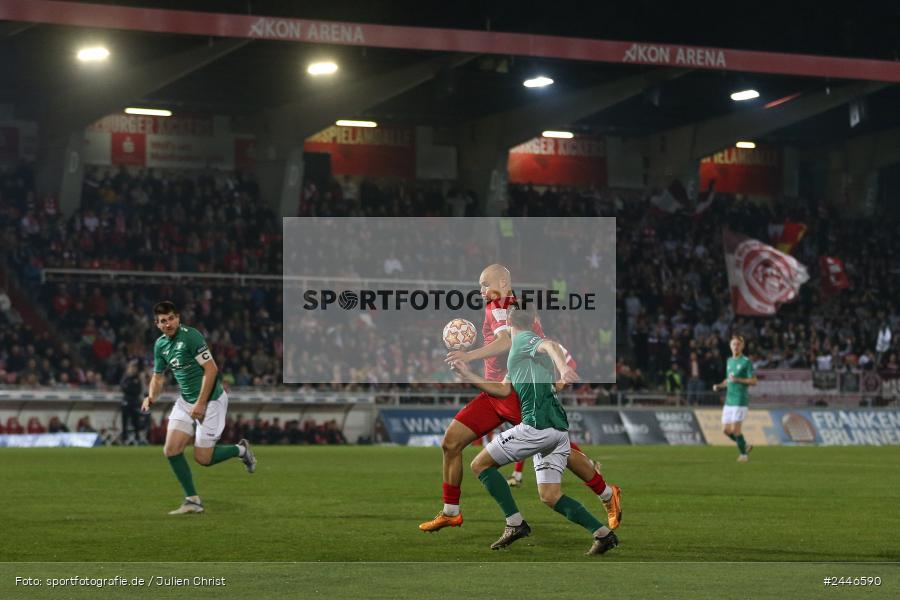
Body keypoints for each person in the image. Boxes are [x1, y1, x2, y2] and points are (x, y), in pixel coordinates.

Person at [418, 264, 621, 532]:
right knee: (451, 443)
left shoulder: (503, 307)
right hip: (494, 393)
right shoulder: (507, 305)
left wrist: (468, 356)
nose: (480, 290)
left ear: (502, 281)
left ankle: (607, 494)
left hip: (515, 394)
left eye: (484, 284)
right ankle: (451, 511)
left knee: (560, 447)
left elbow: (506, 342)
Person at [452, 306, 619, 554]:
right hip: (557, 432)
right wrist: (469, 375)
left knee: (480, 465)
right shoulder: (520, 356)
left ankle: (515, 523)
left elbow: (550, 345)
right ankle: (603, 534)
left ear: (509, 322)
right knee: (550, 496)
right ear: (534, 320)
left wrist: (563, 368)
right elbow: (503, 390)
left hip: (537, 427)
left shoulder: (523, 340)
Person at [141, 301, 257, 514]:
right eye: (163, 321)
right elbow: (158, 377)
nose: (168, 324)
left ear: (178, 318)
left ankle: (241, 450)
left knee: (203, 458)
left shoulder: (191, 336)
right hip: (186, 400)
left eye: (171, 319)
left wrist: (201, 403)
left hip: (211, 400)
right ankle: (192, 500)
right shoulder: (160, 345)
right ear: (157, 324)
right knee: (171, 450)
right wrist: (151, 397)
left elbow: (211, 370)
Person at [712, 334, 758, 462]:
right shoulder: (729, 361)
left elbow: (754, 381)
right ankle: (745, 445)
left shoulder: (746, 362)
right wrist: (720, 386)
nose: (736, 346)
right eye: (734, 344)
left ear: (742, 346)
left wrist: (739, 379)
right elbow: (729, 379)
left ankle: (744, 455)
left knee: (735, 430)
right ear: (730, 346)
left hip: (740, 400)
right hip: (729, 400)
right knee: (726, 430)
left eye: (738, 344)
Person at [120, 361, 143, 444]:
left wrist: (130, 389)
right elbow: (123, 388)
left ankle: (137, 437)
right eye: (132, 367)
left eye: (134, 368)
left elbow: (138, 390)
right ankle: (124, 438)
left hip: (135, 402)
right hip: (126, 401)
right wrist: (131, 390)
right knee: (124, 421)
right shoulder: (125, 378)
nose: (133, 369)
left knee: (136, 420)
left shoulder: (137, 379)